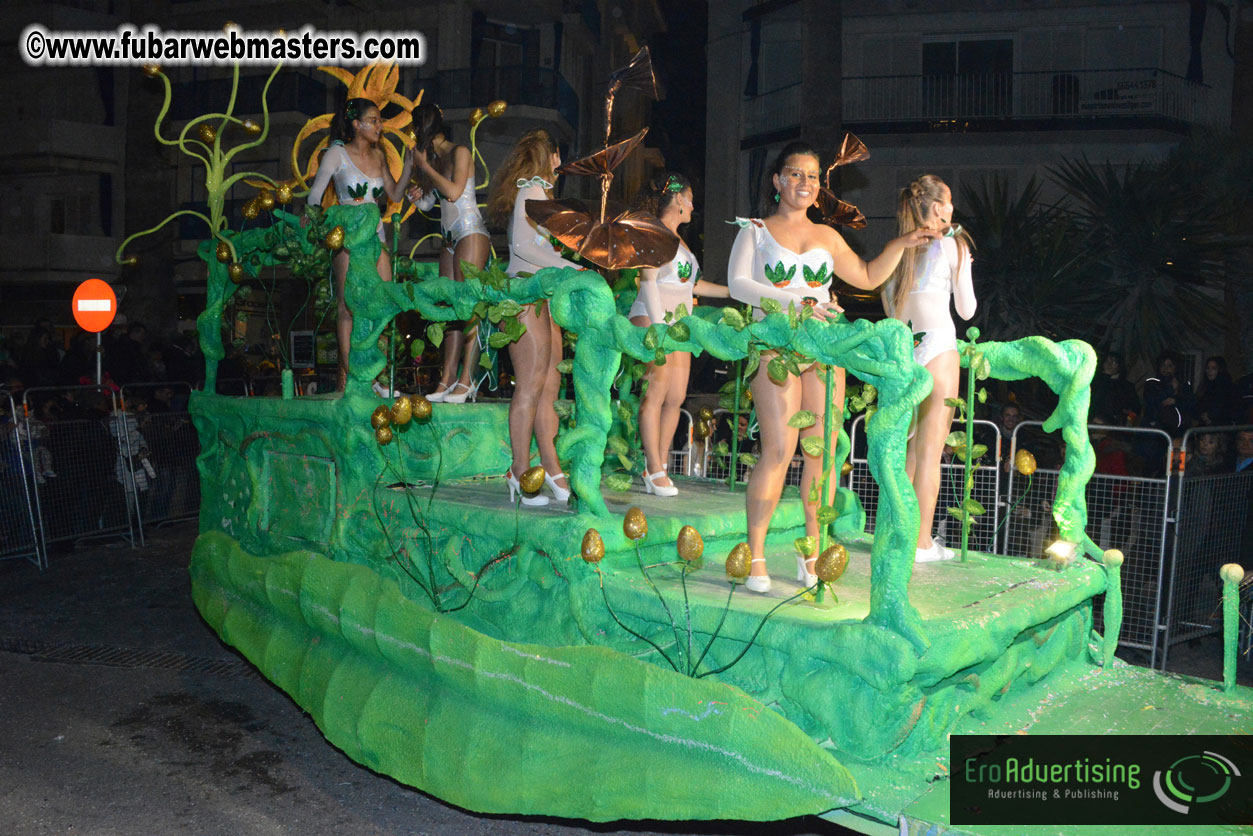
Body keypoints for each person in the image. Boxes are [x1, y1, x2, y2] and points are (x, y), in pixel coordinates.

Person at [727, 141, 937, 592]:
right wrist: (797, 300)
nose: (805, 183)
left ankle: (811, 552)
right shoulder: (756, 231)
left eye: (813, 176)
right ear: (778, 180)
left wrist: (900, 243)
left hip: (824, 353)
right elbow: (738, 285)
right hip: (777, 350)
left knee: (819, 457)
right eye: (796, 174)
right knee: (779, 452)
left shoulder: (827, 235)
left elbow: (865, 276)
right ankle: (757, 556)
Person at [882, 174, 977, 563]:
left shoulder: (899, 249)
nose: (952, 208)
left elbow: (892, 311)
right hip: (939, 345)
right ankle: (921, 543)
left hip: (907, 349)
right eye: (949, 201)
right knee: (930, 452)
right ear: (938, 208)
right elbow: (967, 310)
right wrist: (966, 263)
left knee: (907, 451)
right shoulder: (954, 245)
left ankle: (898, 536)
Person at [486, 129, 581, 507]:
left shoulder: (542, 194)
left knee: (550, 387)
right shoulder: (532, 188)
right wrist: (568, 268)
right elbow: (523, 247)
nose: (561, 163)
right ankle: (520, 471)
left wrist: (567, 263)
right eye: (559, 156)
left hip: (541, 294)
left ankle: (552, 467)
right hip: (522, 295)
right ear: (552, 156)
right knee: (530, 385)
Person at [627, 173, 729, 496]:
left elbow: (693, 284)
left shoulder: (681, 241)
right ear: (679, 199)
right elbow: (649, 281)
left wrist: (733, 290)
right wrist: (659, 330)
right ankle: (653, 466)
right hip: (653, 317)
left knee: (676, 397)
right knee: (655, 394)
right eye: (691, 198)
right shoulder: (652, 232)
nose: (694, 205)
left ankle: (658, 467)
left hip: (680, 323)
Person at [303, 97, 414, 391]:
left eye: (380, 120)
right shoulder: (336, 154)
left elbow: (394, 194)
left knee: (384, 300)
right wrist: (314, 219)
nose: (380, 125)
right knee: (347, 306)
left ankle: (376, 374)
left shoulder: (379, 156)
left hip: (376, 233)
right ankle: (352, 377)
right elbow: (315, 195)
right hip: (348, 234)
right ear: (356, 124)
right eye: (374, 120)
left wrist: (410, 166)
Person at [406, 102, 491, 403]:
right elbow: (432, 204)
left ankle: (468, 381)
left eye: (414, 132)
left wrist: (425, 167)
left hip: (470, 232)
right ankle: (446, 380)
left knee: (467, 310)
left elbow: (455, 192)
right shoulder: (436, 159)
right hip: (449, 239)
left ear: (423, 130)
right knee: (450, 310)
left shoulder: (459, 152)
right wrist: (416, 194)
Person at [1142, 352, 1196, 435]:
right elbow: (1152, 400)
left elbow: (1191, 403)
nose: (1165, 368)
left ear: (1175, 367)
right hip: (1157, 428)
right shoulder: (1151, 382)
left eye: (1170, 366)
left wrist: (1175, 401)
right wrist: (1171, 389)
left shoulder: (1184, 384)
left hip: (1180, 429)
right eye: (1163, 365)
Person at [1090, 352, 1139, 426]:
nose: (1109, 365)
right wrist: (1105, 377)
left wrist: (1128, 413)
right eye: (1107, 361)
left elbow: (1135, 407)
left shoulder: (1127, 386)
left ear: (1119, 365)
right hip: (1096, 422)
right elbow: (1094, 400)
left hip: (1117, 425)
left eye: (1113, 362)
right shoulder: (1094, 382)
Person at [1196, 355, 1239, 427]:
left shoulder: (1229, 388)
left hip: (1222, 428)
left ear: (1220, 370)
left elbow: (1231, 410)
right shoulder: (1205, 388)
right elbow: (1198, 406)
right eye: (1207, 368)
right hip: (1205, 427)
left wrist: (1211, 416)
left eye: (1214, 368)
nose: (1209, 371)